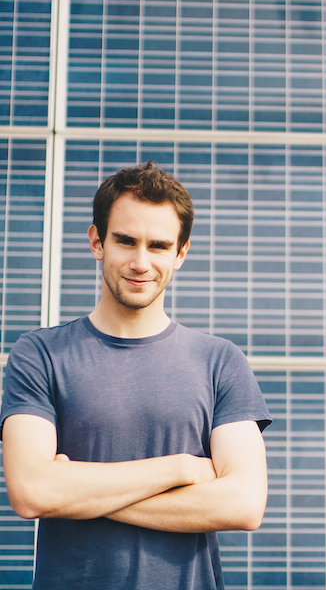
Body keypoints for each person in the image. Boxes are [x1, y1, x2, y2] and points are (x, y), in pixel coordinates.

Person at [0, 161, 271, 590]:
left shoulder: (221, 361)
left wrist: (76, 492)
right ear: (97, 242)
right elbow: (33, 492)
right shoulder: (39, 354)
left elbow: (243, 505)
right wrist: (180, 467)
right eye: (125, 240)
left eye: (159, 246)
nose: (141, 262)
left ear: (180, 253)